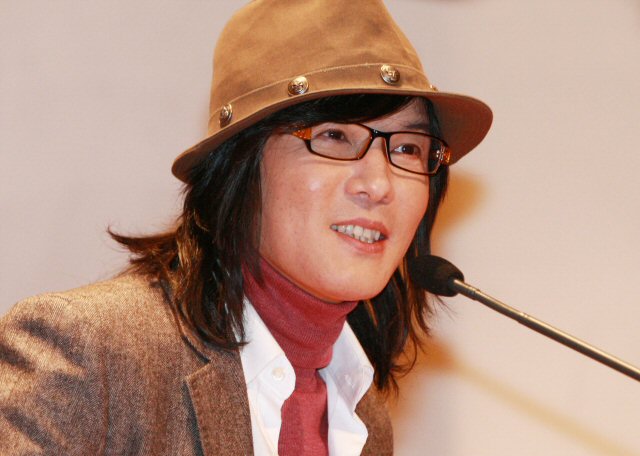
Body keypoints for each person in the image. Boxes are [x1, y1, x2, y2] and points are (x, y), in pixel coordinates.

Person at [0, 0, 492, 454]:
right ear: (239, 166)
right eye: (334, 136)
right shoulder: (92, 354)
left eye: (407, 148)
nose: (379, 185)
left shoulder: (363, 414)